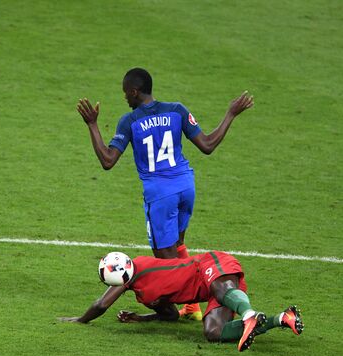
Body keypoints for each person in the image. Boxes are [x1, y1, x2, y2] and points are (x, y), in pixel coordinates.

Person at [76, 68, 254, 320]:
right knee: (178, 245)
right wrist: (231, 114)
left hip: (160, 194)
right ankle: (192, 307)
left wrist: (92, 125)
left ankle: (189, 304)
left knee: (167, 262)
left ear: (134, 92)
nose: (125, 98)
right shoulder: (177, 110)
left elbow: (107, 160)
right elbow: (207, 144)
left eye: (126, 93)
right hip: (185, 186)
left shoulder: (130, 121)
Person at [59, 251, 303, 352]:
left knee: (219, 289)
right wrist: (141, 318)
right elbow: (171, 315)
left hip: (209, 266)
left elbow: (101, 305)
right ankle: (281, 319)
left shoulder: (140, 269)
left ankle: (248, 313)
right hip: (211, 292)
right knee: (212, 332)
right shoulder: (146, 296)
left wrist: (80, 320)